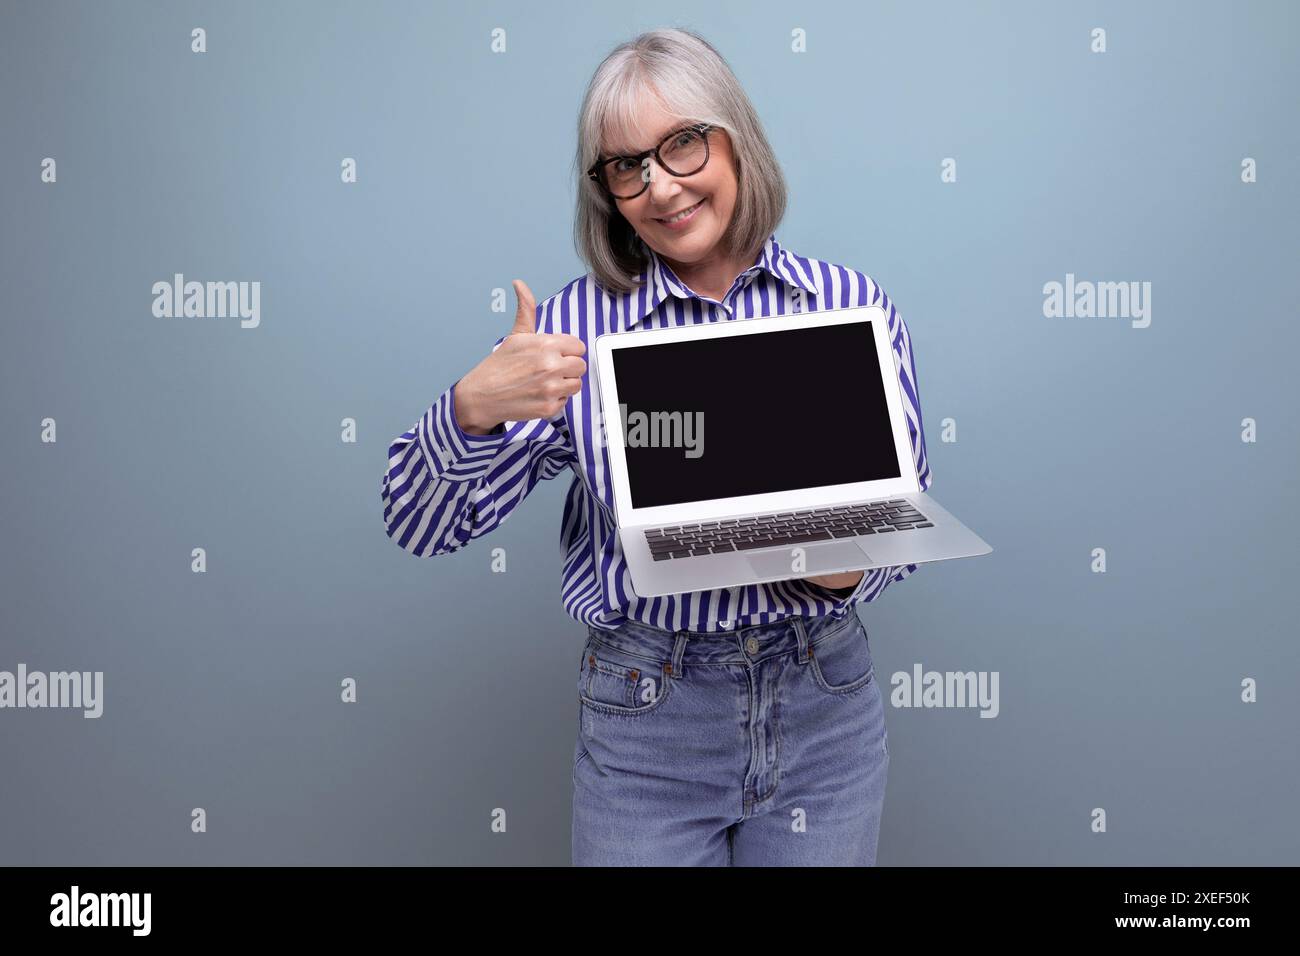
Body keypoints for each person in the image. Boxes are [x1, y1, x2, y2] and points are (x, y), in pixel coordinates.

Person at [381, 28, 932, 866]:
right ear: (607, 190)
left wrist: (850, 562)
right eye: (626, 165)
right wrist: (470, 409)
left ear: (734, 139)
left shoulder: (848, 306)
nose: (660, 186)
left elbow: (899, 533)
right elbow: (419, 524)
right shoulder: (573, 331)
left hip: (826, 705)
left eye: (682, 145)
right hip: (650, 716)